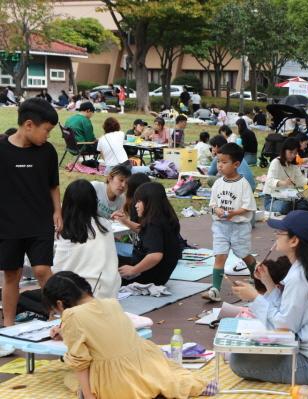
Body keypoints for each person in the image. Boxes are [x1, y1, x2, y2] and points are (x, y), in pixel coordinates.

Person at [230, 210, 308, 385]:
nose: (275, 237)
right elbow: (289, 314)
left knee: (238, 361)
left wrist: (255, 298)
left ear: (294, 240)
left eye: (279, 234)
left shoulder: (300, 276)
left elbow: (284, 328)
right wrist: (268, 283)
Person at [42, 271, 210, 399]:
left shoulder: (72, 316)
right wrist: (66, 332)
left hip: (115, 380)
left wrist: (88, 395)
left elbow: (80, 362)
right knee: (169, 375)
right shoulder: (111, 303)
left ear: (59, 304)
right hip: (145, 364)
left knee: (70, 378)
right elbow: (101, 333)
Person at [0, 98, 60, 326]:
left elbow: (53, 185)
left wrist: (58, 211)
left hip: (39, 220)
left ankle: (60, 315)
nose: (48, 135)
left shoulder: (47, 152)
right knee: (11, 275)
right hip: (8, 224)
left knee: (42, 269)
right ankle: (8, 325)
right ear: (28, 125)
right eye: (46, 130)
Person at [202, 143, 257, 302]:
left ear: (236, 164)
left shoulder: (243, 184)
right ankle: (215, 290)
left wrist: (233, 213)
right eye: (218, 161)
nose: (220, 165)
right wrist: (217, 210)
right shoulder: (218, 183)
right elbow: (211, 206)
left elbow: (248, 207)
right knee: (220, 256)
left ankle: (255, 274)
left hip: (239, 227)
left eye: (224, 162)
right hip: (220, 227)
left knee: (244, 254)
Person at [53, 180, 120, 299]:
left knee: (27, 297)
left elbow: (58, 270)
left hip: (83, 296)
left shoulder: (68, 229)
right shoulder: (104, 224)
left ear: (68, 202)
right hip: (110, 291)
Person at [118, 182, 182, 285]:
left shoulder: (154, 224)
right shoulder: (163, 219)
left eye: (139, 201)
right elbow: (145, 232)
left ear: (149, 202)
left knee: (108, 261)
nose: (135, 205)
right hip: (158, 274)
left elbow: (155, 255)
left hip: (147, 276)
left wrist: (133, 270)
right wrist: (125, 221)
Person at [262, 138, 308, 215]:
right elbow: (269, 181)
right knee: (285, 207)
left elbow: (300, 180)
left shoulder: (294, 165)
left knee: (306, 204)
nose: (293, 155)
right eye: (290, 152)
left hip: (288, 199)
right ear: (284, 150)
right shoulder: (275, 162)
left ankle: (297, 211)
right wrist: (283, 183)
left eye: (295, 153)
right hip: (272, 199)